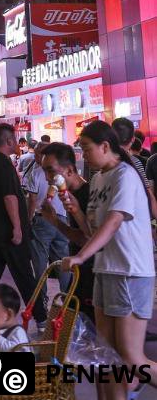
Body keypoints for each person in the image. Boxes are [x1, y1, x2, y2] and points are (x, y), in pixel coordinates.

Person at [62, 120, 156, 400]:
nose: (84, 156)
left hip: (129, 272)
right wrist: (76, 212)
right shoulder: (100, 178)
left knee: (132, 358)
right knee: (108, 354)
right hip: (106, 271)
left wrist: (81, 257)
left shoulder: (124, 176)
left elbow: (114, 222)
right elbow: (94, 230)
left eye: (87, 149)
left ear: (105, 146)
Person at [0, 123, 46, 328]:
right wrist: (17, 227)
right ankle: (41, 317)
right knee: (24, 275)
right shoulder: (2, 164)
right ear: (9, 141)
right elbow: (9, 197)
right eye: (15, 139)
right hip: (7, 231)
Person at [39, 142, 94, 323]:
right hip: (82, 272)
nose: (48, 178)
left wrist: (58, 220)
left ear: (70, 170)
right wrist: (54, 220)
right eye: (45, 171)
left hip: (93, 275)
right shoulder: (72, 195)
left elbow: (88, 239)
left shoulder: (88, 195)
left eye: (51, 171)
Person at [21, 142, 71, 309]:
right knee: (63, 262)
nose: (35, 157)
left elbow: (32, 200)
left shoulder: (35, 173)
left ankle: (41, 302)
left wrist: (28, 222)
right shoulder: (63, 173)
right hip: (62, 219)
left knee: (40, 263)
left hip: (42, 220)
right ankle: (67, 300)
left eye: (37, 154)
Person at [111, 117, 157, 220]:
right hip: (135, 223)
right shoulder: (134, 162)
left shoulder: (100, 165)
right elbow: (149, 193)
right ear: (132, 139)